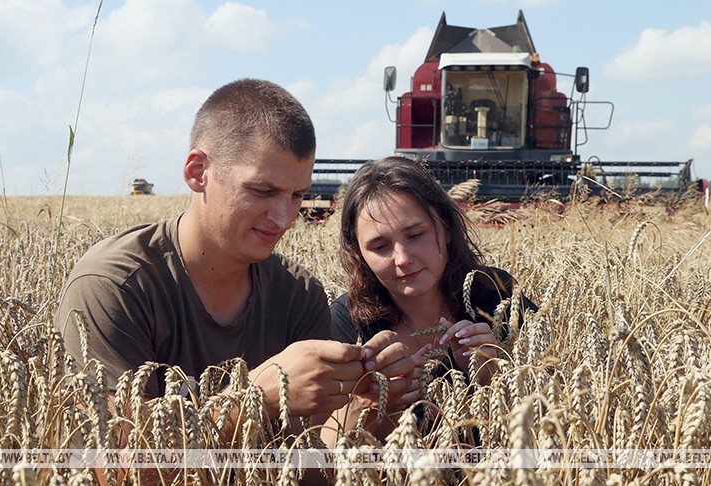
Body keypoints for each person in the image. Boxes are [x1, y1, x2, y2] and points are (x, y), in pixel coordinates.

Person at [56, 79, 417, 443]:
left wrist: (364, 406)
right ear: (198, 173)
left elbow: (307, 464)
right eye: (262, 191)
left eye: (297, 195)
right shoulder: (115, 286)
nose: (284, 217)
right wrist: (254, 399)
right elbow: (119, 465)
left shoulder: (298, 295)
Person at [324, 156, 536, 443]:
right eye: (380, 246)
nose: (403, 259)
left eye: (415, 235)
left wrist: (498, 378)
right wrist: (373, 405)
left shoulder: (496, 294)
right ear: (359, 254)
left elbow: (560, 411)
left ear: (446, 228)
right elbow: (324, 455)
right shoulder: (349, 321)